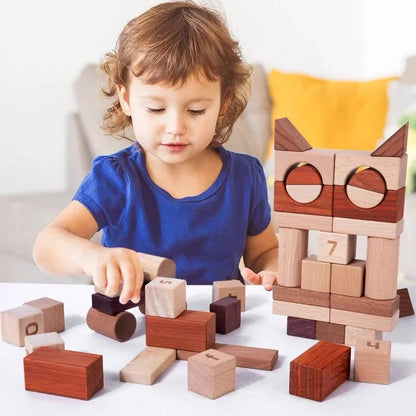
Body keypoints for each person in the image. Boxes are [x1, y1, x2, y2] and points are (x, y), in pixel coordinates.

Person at [33, 1, 278, 305]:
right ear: (126, 99)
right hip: (135, 326)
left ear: (223, 102)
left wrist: (271, 271)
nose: (175, 127)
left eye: (196, 110)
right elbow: (47, 245)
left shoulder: (245, 177)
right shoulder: (115, 178)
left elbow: (264, 252)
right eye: (156, 108)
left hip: (220, 327)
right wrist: (91, 257)